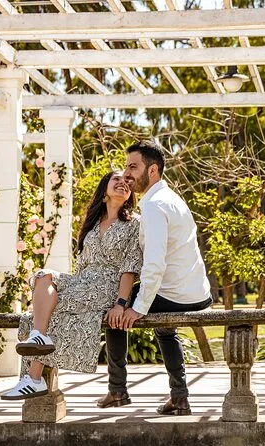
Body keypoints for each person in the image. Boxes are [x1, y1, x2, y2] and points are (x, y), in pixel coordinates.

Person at [1, 171, 142, 400]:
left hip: (107, 286)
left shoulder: (134, 224)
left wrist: (120, 304)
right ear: (104, 190)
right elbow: (82, 264)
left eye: (127, 182)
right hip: (82, 281)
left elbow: (130, 268)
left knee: (41, 313)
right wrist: (72, 286)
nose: (123, 183)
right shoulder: (93, 224)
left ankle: (33, 379)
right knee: (43, 276)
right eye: (116, 179)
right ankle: (38, 337)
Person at [98, 140, 212, 415]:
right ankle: (179, 398)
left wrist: (135, 307)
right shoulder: (172, 198)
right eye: (126, 167)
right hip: (198, 294)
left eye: (133, 167)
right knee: (164, 329)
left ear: (152, 170)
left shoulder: (153, 205)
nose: (127, 174)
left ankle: (117, 390)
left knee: (115, 311)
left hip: (175, 294)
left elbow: (155, 263)